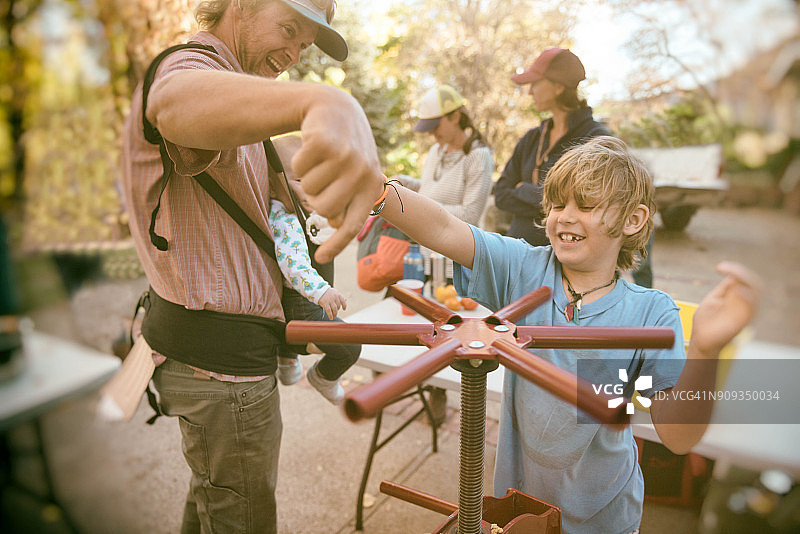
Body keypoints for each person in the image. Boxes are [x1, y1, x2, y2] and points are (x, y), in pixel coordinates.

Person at [353, 136, 760, 533]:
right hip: (520, 505)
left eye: (586, 205)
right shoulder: (523, 269)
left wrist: (706, 348)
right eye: (558, 204)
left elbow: (678, 436)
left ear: (633, 220)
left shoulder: (651, 313)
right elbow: (444, 227)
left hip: (604, 518)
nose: (564, 216)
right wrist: (379, 189)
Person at [119, 1, 382, 532]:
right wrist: (326, 102)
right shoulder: (191, 68)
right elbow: (173, 101)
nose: (293, 54)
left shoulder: (239, 97)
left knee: (214, 502)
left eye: (304, 45)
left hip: (225, 365)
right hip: (223, 375)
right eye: (288, 28)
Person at [268, 137, 360, 405]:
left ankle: (287, 361)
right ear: (273, 185)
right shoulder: (286, 220)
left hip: (299, 307)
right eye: (299, 180)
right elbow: (292, 264)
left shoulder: (297, 210)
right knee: (350, 346)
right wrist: (321, 291)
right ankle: (323, 377)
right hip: (302, 311)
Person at [493, 48, 611, 247]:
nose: (530, 91)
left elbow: (585, 204)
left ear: (558, 87)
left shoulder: (595, 139)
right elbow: (501, 195)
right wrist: (553, 202)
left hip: (564, 257)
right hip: (517, 253)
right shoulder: (531, 138)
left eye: (535, 83)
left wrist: (524, 190)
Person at [392, 84, 494, 286]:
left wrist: (418, 206)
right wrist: (405, 182)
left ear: (455, 117)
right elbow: (431, 189)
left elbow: (470, 215)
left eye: (435, 126)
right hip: (425, 258)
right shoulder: (435, 151)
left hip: (455, 266)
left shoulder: (478, 157)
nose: (431, 133)